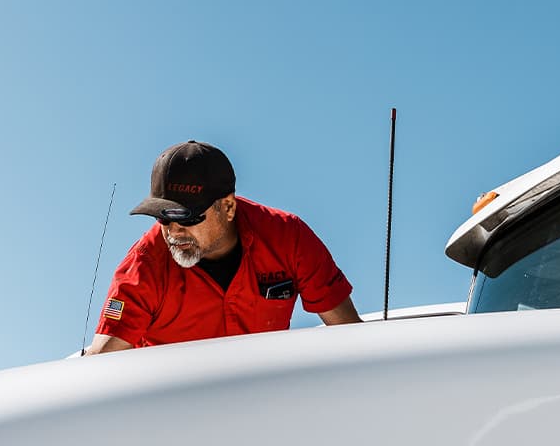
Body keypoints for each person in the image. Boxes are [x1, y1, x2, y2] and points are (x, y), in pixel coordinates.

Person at [85, 140, 361, 354]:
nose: (173, 231)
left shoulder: (289, 238)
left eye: (187, 217)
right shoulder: (143, 266)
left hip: (265, 400)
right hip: (174, 408)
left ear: (228, 207)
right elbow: (102, 362)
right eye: (162, 217)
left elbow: (349, 335)